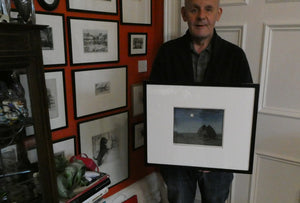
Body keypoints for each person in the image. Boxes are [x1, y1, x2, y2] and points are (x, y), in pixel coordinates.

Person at [149, 0, 253, 202]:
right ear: (183, 13)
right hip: (176, 159)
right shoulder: (167, 53)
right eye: (194, 9)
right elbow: (155, 107)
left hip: (219, 162)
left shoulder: (235, 56)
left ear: (218, 14)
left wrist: (221, 155)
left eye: (208, 9)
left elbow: (243, 112)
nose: (201, 16)